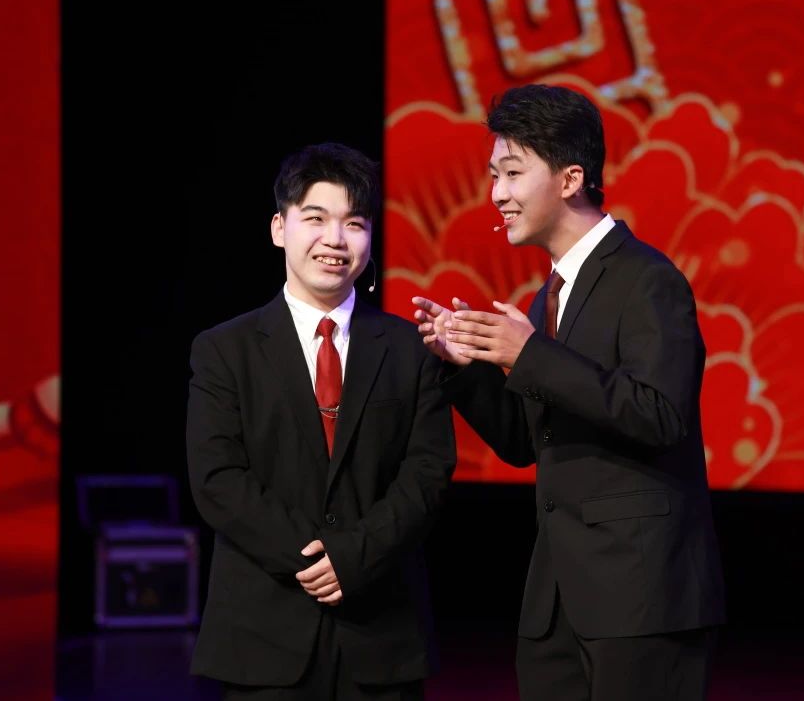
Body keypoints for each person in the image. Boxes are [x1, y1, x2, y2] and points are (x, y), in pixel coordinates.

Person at [413, 84, 725, 700]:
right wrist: (466, 367)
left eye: (512, 173)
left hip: (641, 599)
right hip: (558, 601)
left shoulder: (648, 279)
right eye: (494, 176)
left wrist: (530, 354)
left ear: (570, 179)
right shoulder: (549, 297)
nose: (497, 194)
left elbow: (660, 414)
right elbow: (525, 442)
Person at [187, 142, 455, 700]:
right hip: (262, 636)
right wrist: (313, 558)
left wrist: (353, 557)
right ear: (279, 228)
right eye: (315, 219)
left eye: (354, 224)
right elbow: (218, 479)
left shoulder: (411, 348)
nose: (335, 239)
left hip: (382, 634)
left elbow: (427, 474)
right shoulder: (225, 349)